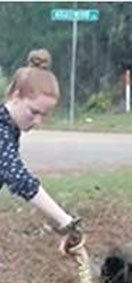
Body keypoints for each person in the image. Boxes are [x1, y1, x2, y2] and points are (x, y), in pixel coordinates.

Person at [2, 49, 82, 251]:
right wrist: (64, 220)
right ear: (15, 95)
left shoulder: (10, 130)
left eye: (43, 115)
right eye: (34, 112)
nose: (37, 121)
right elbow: (18, 178)